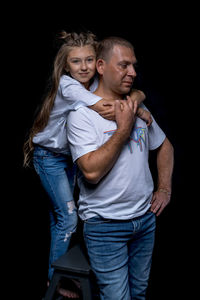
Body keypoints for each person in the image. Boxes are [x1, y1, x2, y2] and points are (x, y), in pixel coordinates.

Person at [23, 31, 151, 298]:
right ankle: (54, 280)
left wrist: (137, 95)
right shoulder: (69, 86)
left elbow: (125, 93)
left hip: (68, 157)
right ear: (65, 66)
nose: (84, 67)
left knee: (60, 217)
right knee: (68, 219)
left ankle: (60, 270)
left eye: (89, 60)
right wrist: (135, 104)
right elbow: (107, 108)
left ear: (98, 63)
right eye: (76, 62)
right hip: (50, 157)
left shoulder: (89, 85)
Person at [67, 36, 174, 300]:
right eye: (124, 65)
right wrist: (124, 128)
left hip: (145, 222)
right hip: (106, 227)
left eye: (134, 65)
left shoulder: (137, 106)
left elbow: (165, 147)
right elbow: (91, 173)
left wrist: (164, 188)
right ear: (101, 66)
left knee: (138, 294)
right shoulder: (81, 115)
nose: (133, 73)